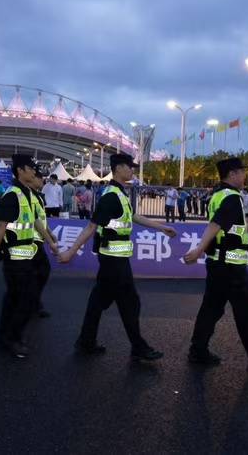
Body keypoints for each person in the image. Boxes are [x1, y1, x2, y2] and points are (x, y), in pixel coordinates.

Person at [58, 153, 176, 361]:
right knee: (130, 303)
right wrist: (71, 251)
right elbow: (92, 227)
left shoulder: (120, 194)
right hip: (113, 261)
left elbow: (133, 217)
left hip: (115, 260)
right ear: (119, 168)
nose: (132, 170)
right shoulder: (111, 196)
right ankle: (138, 347)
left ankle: (86, 342)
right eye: (130, 167)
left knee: (99, 301)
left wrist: (161, 227)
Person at [182, 157, 248, 372]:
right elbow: (216, 224)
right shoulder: (231, 197)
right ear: (232, 175)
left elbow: (237, 224)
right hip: (230, 266)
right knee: (247, 311)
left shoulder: (219, 195)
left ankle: (197, 351)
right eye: (241, 172)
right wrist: (199, 249)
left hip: (218, 263)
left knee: (211, 308)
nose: (244, 176)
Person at [0, 155, 57, 358]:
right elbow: (1, 228)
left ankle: (6, 337)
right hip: (15, 259)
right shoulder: (12, 195)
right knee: (22, 299)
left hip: (29, 256)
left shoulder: (28, 195)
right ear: (21, 170)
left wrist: (50, 241)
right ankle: (11, 338)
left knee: (16, 299)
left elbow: (35, 222)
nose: (34, 172)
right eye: (31, 168)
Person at [28, 168, 58, 318]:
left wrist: (50, 234)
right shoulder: (28, 196)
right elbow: (34, 221)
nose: (42, 182)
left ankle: (33, 302)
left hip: (36, 240)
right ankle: (31, 303)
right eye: (40, 179)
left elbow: (41, 219)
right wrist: (49, 239)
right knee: (41, 271)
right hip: (30, 241)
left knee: (39, 272)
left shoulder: (38, 197)